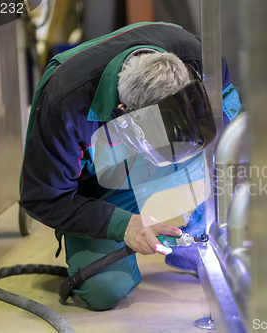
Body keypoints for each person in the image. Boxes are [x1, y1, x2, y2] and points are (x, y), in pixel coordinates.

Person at [20, 22, 241, 311]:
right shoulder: (64, 104)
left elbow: (232, 135)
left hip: (168, 165)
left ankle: (196, 234)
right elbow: (43, 197)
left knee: (219, 247)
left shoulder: (202, 61)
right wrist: (124, 225)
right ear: (122, 114)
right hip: (102, 191)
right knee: (105, 290)